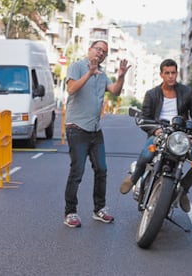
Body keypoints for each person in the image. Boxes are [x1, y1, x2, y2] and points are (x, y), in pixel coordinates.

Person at [119, 58, 192, 213]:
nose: (170, 76)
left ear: (177, 73)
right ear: (161, 74)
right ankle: (133, 179)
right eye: (167, 73)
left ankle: (183, 190)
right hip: (160, 132)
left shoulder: (188, 92)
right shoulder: (152, 94)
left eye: (173, 72)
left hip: (181, 136)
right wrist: (155, 130)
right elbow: (144, 118)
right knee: (147, 154)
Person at [64, 40, 131, 228]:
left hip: (95, 129)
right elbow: (71, 89)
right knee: (77, 172)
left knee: (101, 169)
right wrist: (89, 73)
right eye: (98, 49)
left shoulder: (103, 75)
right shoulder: (77, 67)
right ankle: (70, 212)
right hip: (77, 128)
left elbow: (115, 92)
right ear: (90, 50)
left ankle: (99, 209)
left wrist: (121, 77)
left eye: (104, 52)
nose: (101, 53)